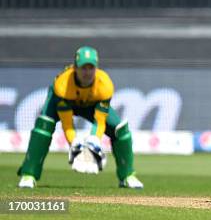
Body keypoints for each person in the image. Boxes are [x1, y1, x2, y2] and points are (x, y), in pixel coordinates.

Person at [17, 46, 143, 189]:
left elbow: (100, 121)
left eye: (91, 68)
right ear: (75, 68)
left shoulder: (104, 85)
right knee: (44, 126)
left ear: (96, 69)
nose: (87, 72)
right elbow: (67, 122)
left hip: (91, 105)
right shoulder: (63, 85)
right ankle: (29, 174)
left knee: (121, 130)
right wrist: (74, 143)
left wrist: (94, 140)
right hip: (63, 101)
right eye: (83, 68)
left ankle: (127, 176)